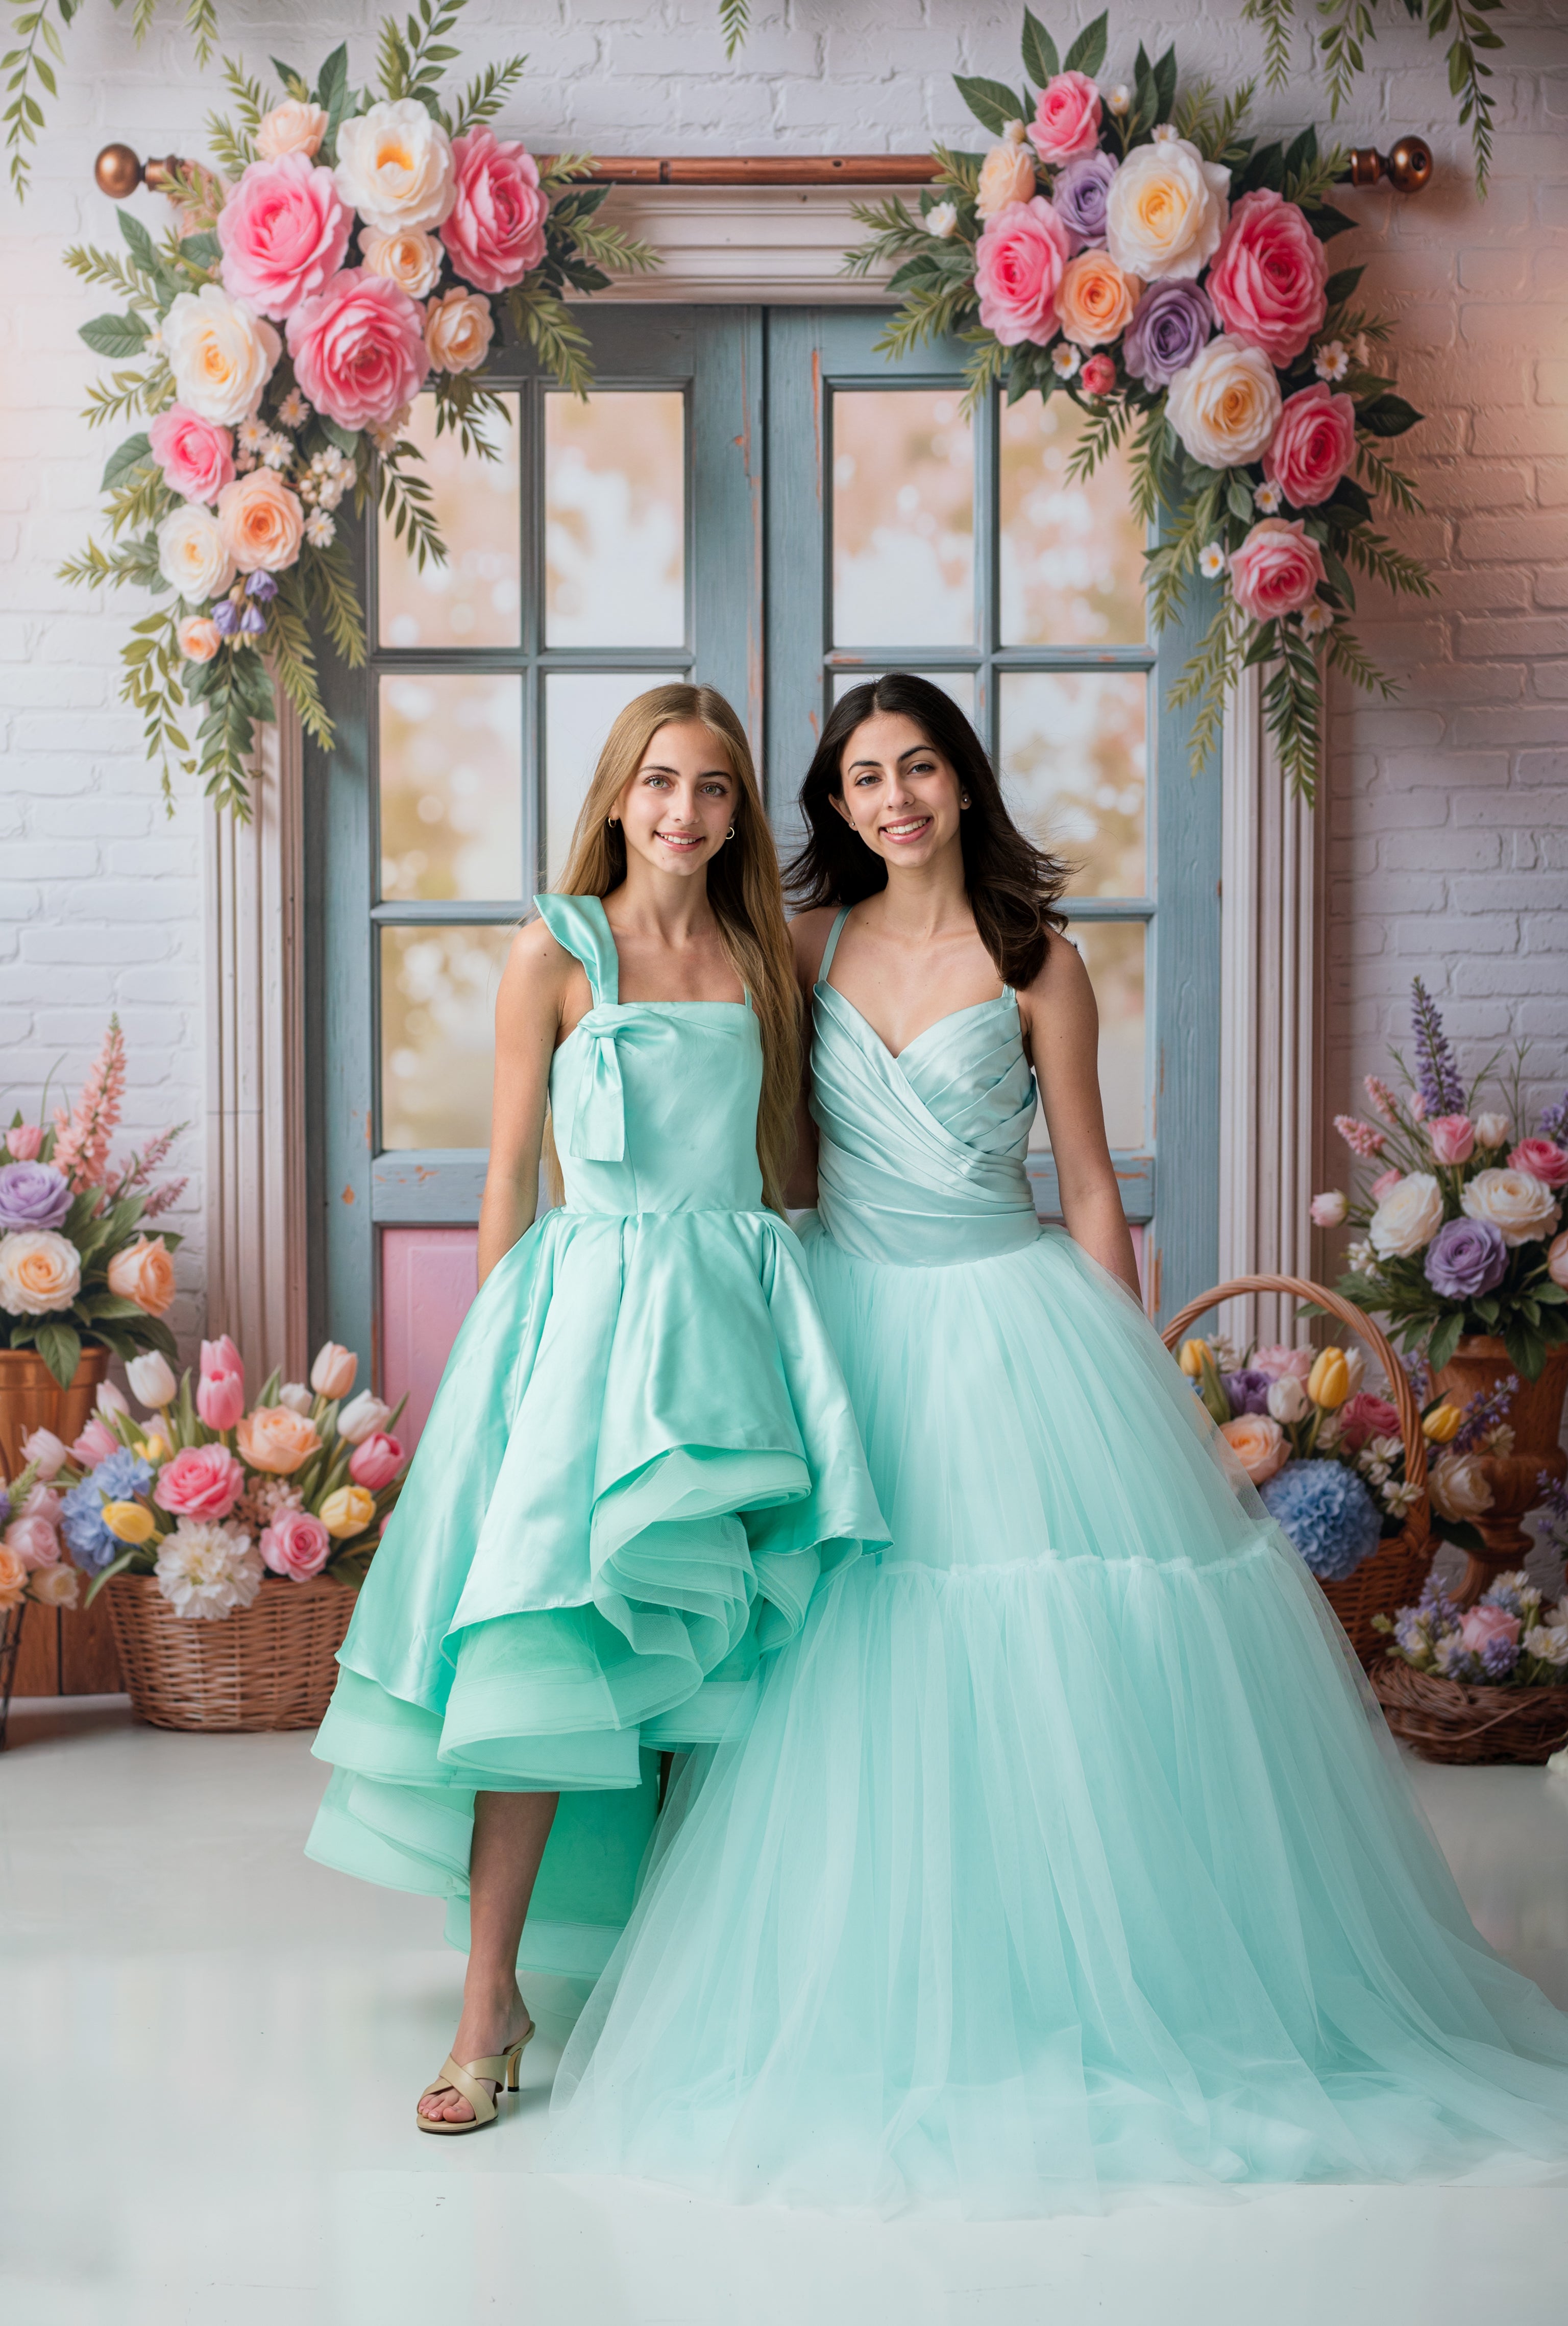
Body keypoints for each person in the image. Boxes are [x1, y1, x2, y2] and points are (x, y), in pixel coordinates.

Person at [546, 672, 1568, 2214]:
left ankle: (1073, 1973)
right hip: (840, 1316)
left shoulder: (1038, 959)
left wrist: (1135, 1378)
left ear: (963, 783)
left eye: (919, 768)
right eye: (862, 777)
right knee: (837, 1653)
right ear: (830, 805)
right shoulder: (803, 945)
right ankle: (870, 1970)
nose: (892, 797)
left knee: (1046, 1660)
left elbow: (1091, 1183)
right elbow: (715, 1109)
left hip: (1009, 1320)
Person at [306, 682, 885, 2134]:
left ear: (740, 811)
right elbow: (510, 1176)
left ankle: (692, 1987)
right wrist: (503, 1363)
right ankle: (486, 1999)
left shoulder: (765, 957)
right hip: (584, 1335)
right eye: (659, 784)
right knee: (544, 1661)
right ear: (618, 799)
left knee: (710, 1668)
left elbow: (787, 1169)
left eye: (712, 789)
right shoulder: (558, 949)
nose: (683, 812)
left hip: (729, 1333)